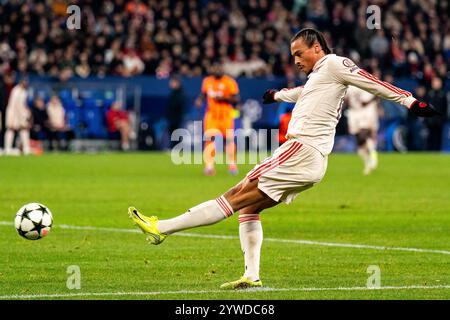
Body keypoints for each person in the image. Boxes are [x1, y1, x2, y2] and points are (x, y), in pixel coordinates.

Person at [128, 28, 440, 289]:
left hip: (300, 150)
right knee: (249, 208)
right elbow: (301, 92)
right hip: (312, 161)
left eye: (299, 53)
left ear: (316, 47)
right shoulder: (321, 76)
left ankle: (162, 228)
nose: (295, 60)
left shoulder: (335, 64)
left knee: (234, 196)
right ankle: (252, 274)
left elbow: (371, 81)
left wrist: (410, 101)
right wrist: (277, 95)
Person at [195, 62, 240, 176]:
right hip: (212, 115)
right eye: (215, 67)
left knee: (229, 141)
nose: (217, 70)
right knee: (209, 140)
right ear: (211, 69)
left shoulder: (229, 82)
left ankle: (232, 165)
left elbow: (236, 99)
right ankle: (209, 167)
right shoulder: (207, 81)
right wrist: (199, 100)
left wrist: (224, 98)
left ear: (222, 69)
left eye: (219, 67)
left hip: (225, 115)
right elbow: (203, 94)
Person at [346, 85, 380, 175]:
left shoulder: (363, 82)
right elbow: (345, 98)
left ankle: (373, 154)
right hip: (353, 112)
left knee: (363, 135)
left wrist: (371, 102)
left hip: (366, 111)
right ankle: (367, 163)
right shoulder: (348, 84)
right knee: (359, 141)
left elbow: (375, 94)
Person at [4, 78, 31, 155]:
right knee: (10, 129)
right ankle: (7, 148)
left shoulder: (24, 92)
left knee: (24, 129)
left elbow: (23, 105)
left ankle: (26, 148)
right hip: (13, 113)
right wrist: (25, 114)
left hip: (20, 113)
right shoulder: (16, 91)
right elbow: (15, 105)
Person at [424, 77, 447, 151]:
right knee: (430, 136)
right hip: (430, 120)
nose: (436, 84)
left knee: (439, 137)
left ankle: (438, 150)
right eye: (435, 82)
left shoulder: (443, 94)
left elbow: (445, 108)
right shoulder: (429, 94)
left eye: (438, 82)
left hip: (439, 120)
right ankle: (430, 151)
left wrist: (442, 118)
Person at [166, 76, 186, 148]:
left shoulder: (180, 94)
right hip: (172, 117)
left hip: (176, 118)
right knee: (172, 133)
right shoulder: (173, 93)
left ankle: (177, 148)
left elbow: (178, 105)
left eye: (173, 82)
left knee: (176, 133)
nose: (171, 84)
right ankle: (174, 147)